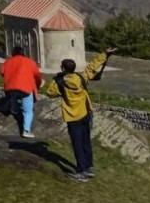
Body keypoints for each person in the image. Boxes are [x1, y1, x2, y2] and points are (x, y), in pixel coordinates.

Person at [42, 48, 117, 181]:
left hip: (73, 116)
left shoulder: (59, 82)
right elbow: (93, 65)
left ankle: (81, 171)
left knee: (77, 144)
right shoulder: (81, 77)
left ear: (63, 68)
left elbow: (49, 92)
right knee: (86, 141)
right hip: (85, 113)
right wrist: (105, 54)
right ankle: (89, 167)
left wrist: (57, 78)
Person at [1, 45, 43, 138]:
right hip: (26, 89)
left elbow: (2, 72)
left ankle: (13, 108)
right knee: (28, 111)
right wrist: (38, 85)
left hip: (10, 88)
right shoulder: (30, 62)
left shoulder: (7, 62)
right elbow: (37, 76)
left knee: (13, 101)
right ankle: (26, 130)